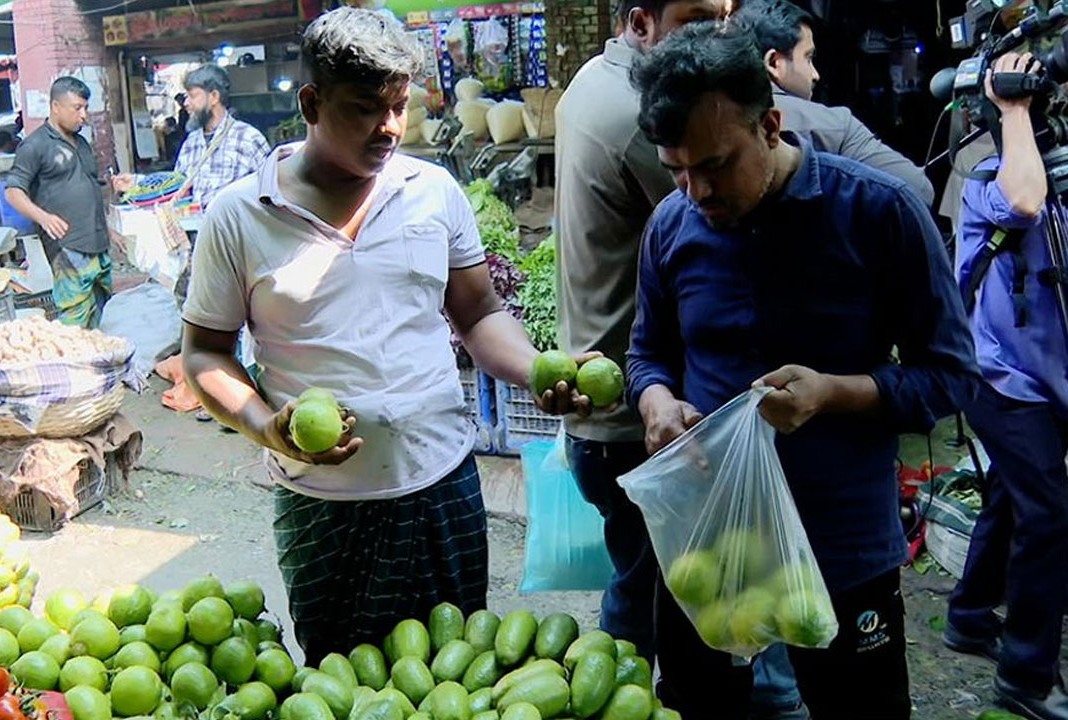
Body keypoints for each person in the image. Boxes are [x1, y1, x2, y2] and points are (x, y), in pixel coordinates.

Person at [181, 7, 596, 665]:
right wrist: (265, 425)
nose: (390, 127)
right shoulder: (239, 215)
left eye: (400, 105)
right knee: (344, 683)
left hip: (443, 485)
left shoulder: (432, 191)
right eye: (366, 108)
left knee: (457, 676)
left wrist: (541, 368)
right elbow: (204, 351)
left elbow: (480, 316)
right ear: (311, 102)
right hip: (324, 509)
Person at [626, 22, 979, 720]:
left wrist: (835, 394)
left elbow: (951, 378)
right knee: (701, 707)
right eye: (677, 169)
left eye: (716, 165)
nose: (696, 190)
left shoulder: (877, 213)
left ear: (771, 125)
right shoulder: (670, 226)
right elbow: (647, 353)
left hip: (841, 548)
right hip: (712, 546)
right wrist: (658, 402)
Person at [554, 0, 727, 702]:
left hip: (608, 391)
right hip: (633, 409)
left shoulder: (591, 79)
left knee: (643, 574)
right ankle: (614, 698)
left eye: (724, 14)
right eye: (695, 17)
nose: (717, 34)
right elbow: (721, 209)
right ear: (641, 22)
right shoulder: (645, 120)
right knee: (651, 587)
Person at [946, 52, 1068, 720]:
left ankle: (969, 615)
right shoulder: (986, 185)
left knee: (1010, 496)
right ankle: (1026, 675)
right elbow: (1024, 202)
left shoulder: (1066, 185)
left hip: (1052, 381)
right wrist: (1014, 107)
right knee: (1050, 513)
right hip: (999, 379)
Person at [731, 0, 935, 206]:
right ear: (774, 63)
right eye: (808, 58)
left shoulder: (711, 120)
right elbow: (917, 190)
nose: (815, 75)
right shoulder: (834, 127)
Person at [4, 77, 119, 329]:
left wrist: (109, 224)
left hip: (97, 241)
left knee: (105, 313)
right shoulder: (34, 146)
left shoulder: (82, 143)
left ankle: (101, 365)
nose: (84, 115)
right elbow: (13, 191)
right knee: (75, 317)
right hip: (68, 245)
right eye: (77, 108)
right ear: (56, 107)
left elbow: (89, 186)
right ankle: (77, 367)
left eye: (85, 108)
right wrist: (43, 218)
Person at [175, 66, 269, 209]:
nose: (186, 103)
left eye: (193, 96)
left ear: (214, 97)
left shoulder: (248, 138)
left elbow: (270, 192)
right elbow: (176, 187)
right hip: (198, 230)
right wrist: (138, 182)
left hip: (236, 230)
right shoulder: (190, 143)